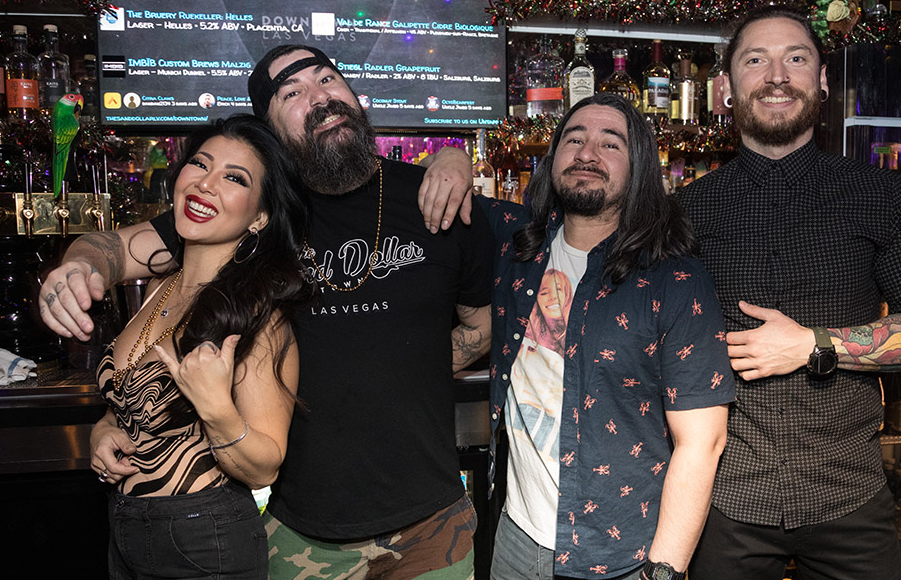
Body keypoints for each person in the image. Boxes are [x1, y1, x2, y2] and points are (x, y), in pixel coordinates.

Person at [39, 45, 493, 580]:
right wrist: (77, 267)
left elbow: (482, 324)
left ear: (355, 95)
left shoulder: (436, 199)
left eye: (328, 79)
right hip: (300, 534)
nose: (320, 98)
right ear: (272, 131)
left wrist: (403, 364)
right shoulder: (256, 211)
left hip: (432, 527)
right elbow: (115, 249)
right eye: (292, 93)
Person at [678, 5, 901, 580]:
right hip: (725, 503)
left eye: (796, 58)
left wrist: (814, 344)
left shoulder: (878, 195)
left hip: (850, 502)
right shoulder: (685, 210)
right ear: (726, 88)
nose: (777, 76)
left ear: (823, 80)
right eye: (755, 60)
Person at [483, 93, 735, 580]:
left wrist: (663, 572)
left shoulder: (675, 279)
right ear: (552, 158)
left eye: (610, 144)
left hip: (620, 557)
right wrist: (450, 160)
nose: (587, 153)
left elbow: (703, 443)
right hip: (515, 542)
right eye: (574, 139)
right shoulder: (518, 248)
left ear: (639, 167)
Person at [88, 114, 312, 578]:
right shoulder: (159, 287)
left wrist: (215, 407)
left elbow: (265, 468)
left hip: (201, 536)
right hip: (124, 526)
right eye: (200, 164)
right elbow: (133, 399)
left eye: (234, 178)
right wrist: (103, 430)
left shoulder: (257, 318)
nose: (205, 184)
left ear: (260, 217)